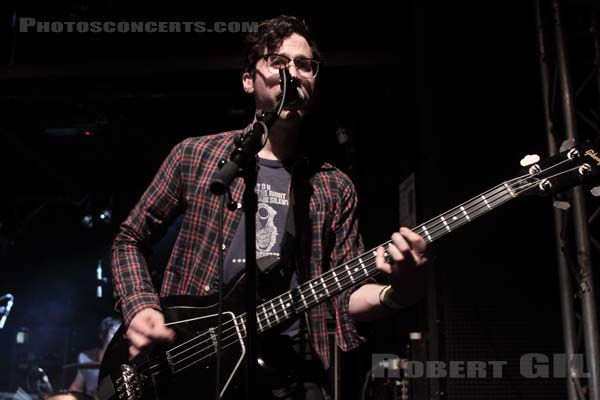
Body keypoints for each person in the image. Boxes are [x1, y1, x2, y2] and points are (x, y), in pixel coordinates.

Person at [111, 15, 428, 400]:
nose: (292, 72)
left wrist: (401, 289)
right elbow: (129, 238)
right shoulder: (196, 156)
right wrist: (141, 307)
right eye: (278, 62)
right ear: (249, 80)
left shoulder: (333, 186)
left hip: (283, 377)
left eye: (304, 64)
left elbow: (345, 298)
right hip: (189, 364)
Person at [68, 316, 121, 397]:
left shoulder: (129, 358)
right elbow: (77, 388)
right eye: (114, 333)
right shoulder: (87, 358)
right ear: (103, 335)